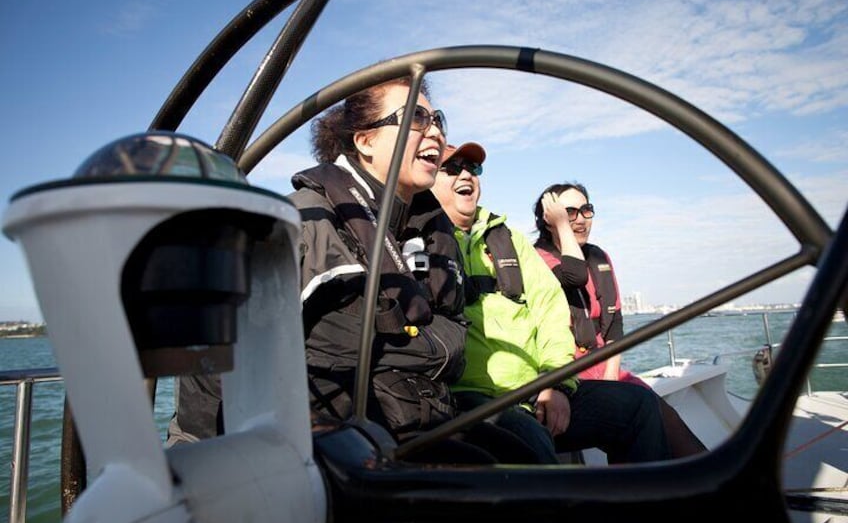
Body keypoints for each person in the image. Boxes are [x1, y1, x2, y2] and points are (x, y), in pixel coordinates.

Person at [168, 77, 539, 465]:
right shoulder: (306, 222)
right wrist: (207, 467)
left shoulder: (429, 230)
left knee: (527, 459)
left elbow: (453, 340)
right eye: (415, 117)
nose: (433, 131)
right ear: (365, 141)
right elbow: (212, 361)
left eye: (436, 119)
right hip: (335, 448)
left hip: (423, 420)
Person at [431, 142, 672, 465]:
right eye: (453, 167)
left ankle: (639, 510)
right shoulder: (419, 239)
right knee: (527, 436)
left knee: (638, 406)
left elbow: (551, 311)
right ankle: (554, 515)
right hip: (470, 398)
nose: (466, 174)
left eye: (473, 168)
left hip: (538, 388)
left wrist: (555, 384)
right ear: (429, 177)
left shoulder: (509, 240)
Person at [533, 182, 707, 458]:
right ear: (549, 218)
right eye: (569, 213)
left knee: (664, 417)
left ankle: (710, 481)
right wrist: (562, 228)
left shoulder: (600, 257)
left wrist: (612, 374)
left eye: (585, 210)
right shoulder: (537, 261)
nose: (579, 219)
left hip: (605, 363)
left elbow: (614, 325)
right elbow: (573, 275)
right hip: (566, 369)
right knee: (638, 416)